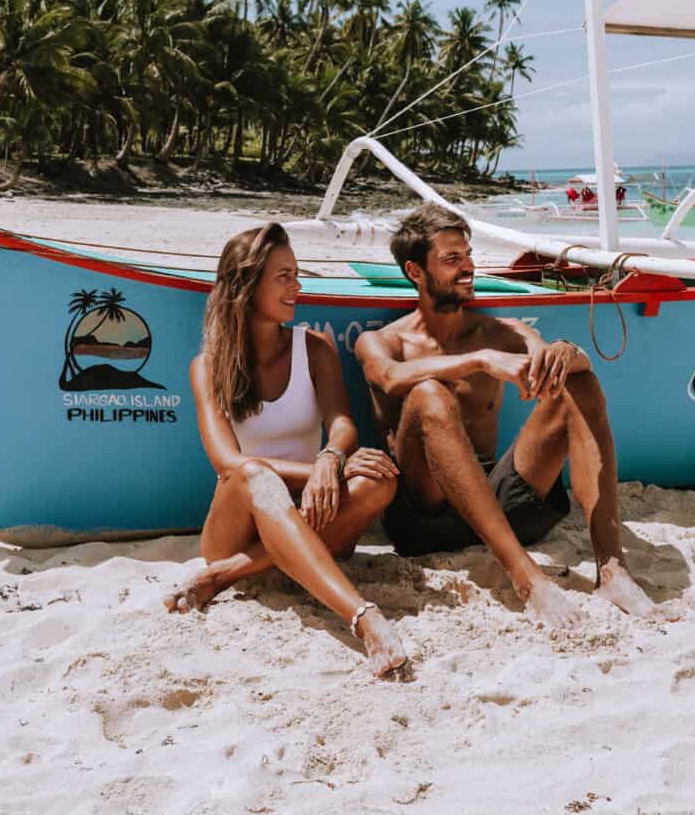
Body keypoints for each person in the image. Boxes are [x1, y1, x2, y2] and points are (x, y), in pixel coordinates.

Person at [355, 204, 652, 626]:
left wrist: (567, 352)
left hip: (503, 503)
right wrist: (480, 362)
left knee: (578, 381)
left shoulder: (501, 331)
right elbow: (388, 377)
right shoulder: (382, 341)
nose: (468, 267)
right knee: (428, 395)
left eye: (469, 254)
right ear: (416, 272)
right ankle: (527, 579)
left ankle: (612, 570)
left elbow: (553, 361)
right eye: (451, 259)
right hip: (425, 517)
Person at [165, 222, 407, 677]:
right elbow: (228, 463)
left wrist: (332, 458)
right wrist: (317, 469)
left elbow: (342, 425)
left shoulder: (313, 348)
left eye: (297, 274)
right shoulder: (208, 367)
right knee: (256, 475)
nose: (298, 287)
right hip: (236, 524)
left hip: (313, 510)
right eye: (284, 276)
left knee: (379, 480)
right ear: (246, 284)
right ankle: (362, 616)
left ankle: (227, 575)